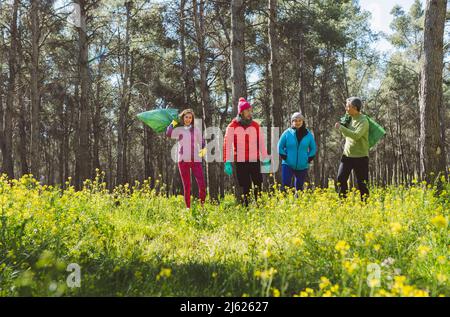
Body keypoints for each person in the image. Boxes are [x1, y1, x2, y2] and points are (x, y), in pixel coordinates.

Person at [223, 98, 270, 207]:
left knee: (258, 183)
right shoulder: (232, 126)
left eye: (250, 110)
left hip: (254, 159)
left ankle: (259, 206)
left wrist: (266, 159)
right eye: (247, 110)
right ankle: (247, 207)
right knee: (245, 185)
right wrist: (227, 162)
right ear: (241, 112)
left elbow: (261, 143)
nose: (250, 113)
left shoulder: (255, 125)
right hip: (241, 161)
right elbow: (227, 145)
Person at [166, 109, 207, 209]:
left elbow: (202, 142)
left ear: (192, 119)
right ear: (183, 118)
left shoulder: (196, 130)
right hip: (183, 160)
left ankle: (202, 207)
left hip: (195, 160)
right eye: (186, 117)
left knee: (202, 184)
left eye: (190, 117)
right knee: (187, 186)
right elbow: (169, 133)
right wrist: (172, 123)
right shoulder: (179, 130)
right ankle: (188, 208)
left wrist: (203, 149)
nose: (188, 119)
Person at [334, 97, 370, 201]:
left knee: (362, 183)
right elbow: (346, 135)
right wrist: (343, 128)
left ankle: (365, 205)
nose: (346, 108)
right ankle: (343, 203)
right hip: (347, 155)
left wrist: (341, 128)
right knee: (340, 179)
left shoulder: (364, 121)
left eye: (348, 106)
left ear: (354, 108)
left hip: (361, 156)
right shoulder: (348, 118)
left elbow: (356, 135)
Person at [277, 112, 316, 192]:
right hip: (288, 164)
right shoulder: (287, 133)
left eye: (299, 120)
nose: (297, 122)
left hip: (302, 165)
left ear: (302, 121)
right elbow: (279, 146)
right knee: (286, 185)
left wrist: (308, 159)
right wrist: (285, 157)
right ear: (292, 122)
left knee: (299, 188)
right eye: (295, 120)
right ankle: (284, 202)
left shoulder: (308, 134)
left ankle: (298, 203)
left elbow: (313, 148)